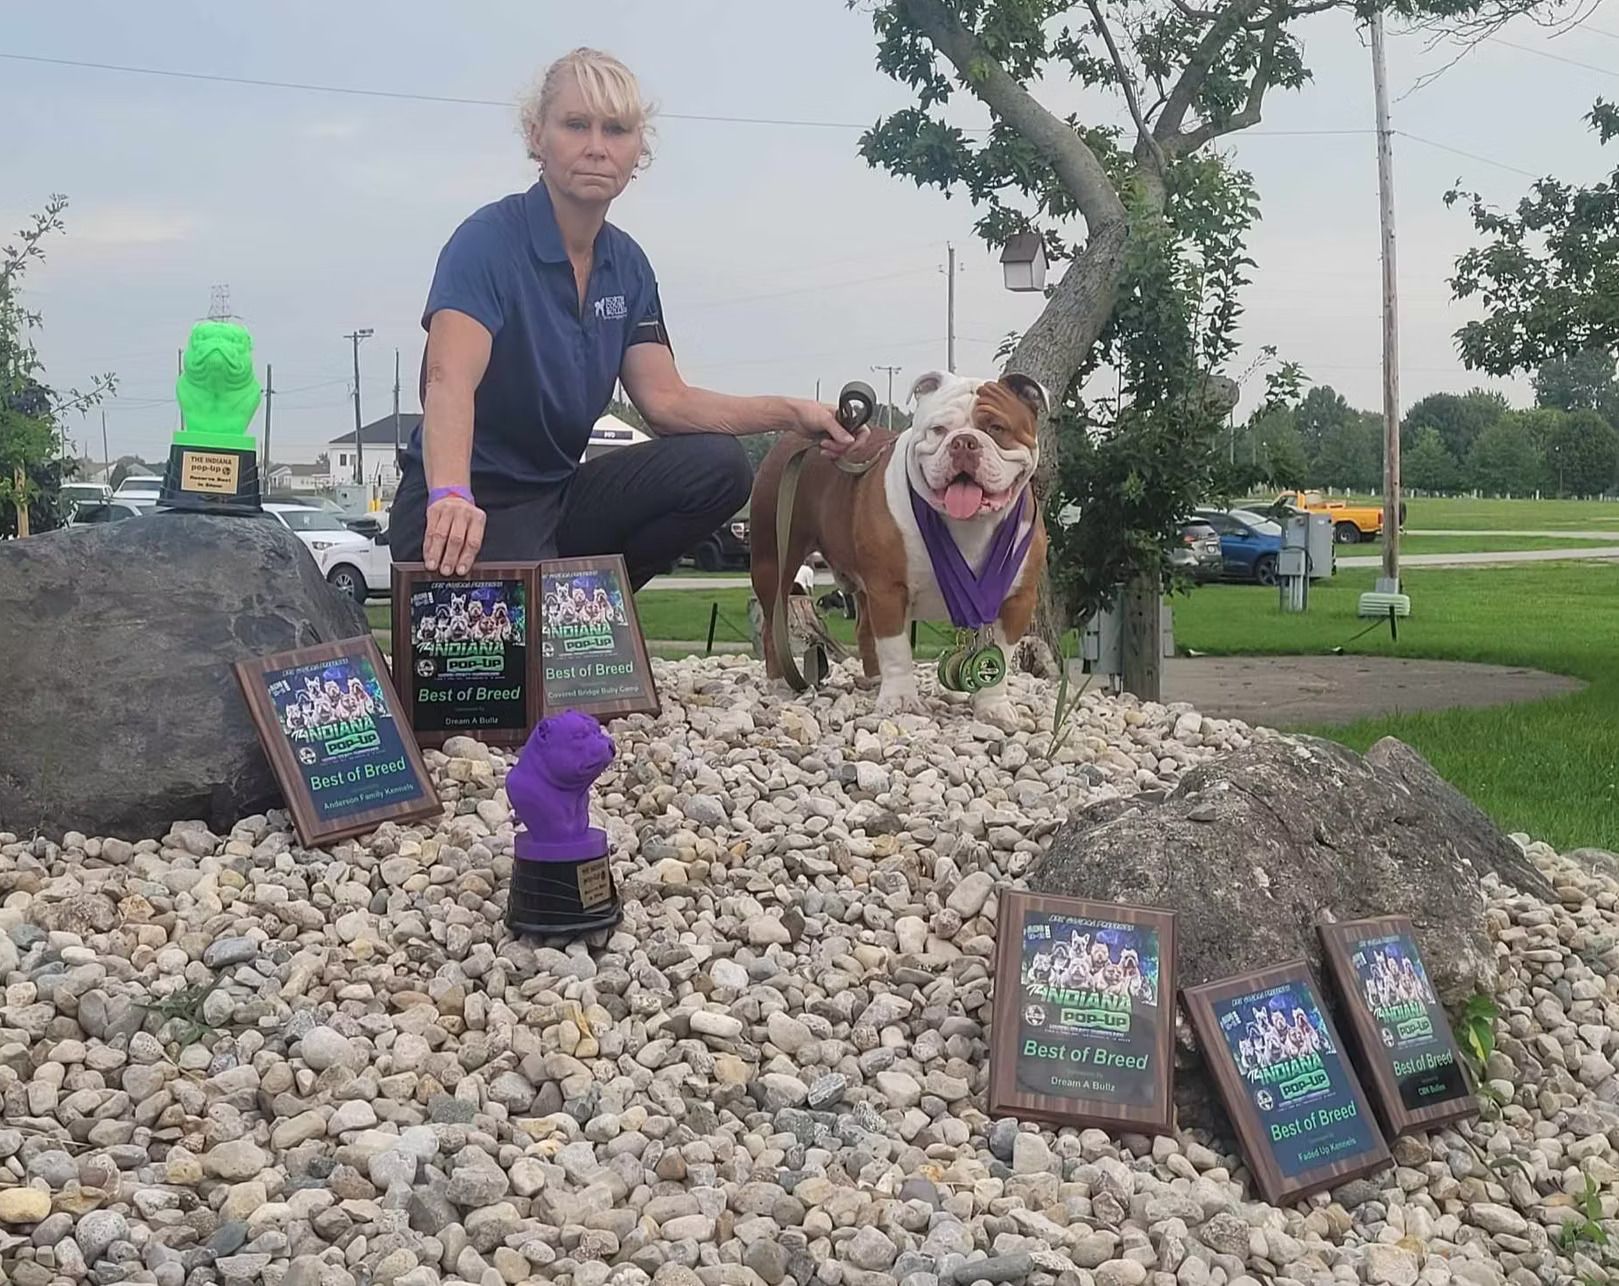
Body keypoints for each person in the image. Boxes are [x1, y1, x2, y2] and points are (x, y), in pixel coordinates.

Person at [390, 48, 857, 584]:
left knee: (719, 468)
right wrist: (450, 493)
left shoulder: (628, 266)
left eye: (615, 130)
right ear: (537, 135)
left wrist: (793, 413)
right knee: (505, 659)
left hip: (559, 496)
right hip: (468, 504)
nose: (595, 147)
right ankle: (545, 605)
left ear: (639, 150)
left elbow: (667, 402)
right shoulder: (487, 242)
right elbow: (447, 380)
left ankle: (594, 601)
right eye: (575, 125)